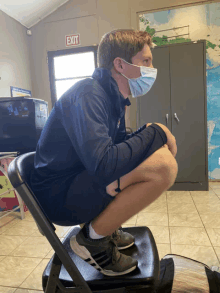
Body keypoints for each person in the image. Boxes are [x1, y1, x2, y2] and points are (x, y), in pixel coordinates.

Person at [30, 29, 178, 277]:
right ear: (120, 65)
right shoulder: (89, 94)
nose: (151, 69)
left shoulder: (111, 98)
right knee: (163, 166)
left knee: (155, 154)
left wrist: (152, 133)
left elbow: (118, 150)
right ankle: (92, 239)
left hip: (76, 180)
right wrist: (157, 132)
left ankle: (104, 226)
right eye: (146, 61)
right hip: (58, 196)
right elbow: (105, 164)